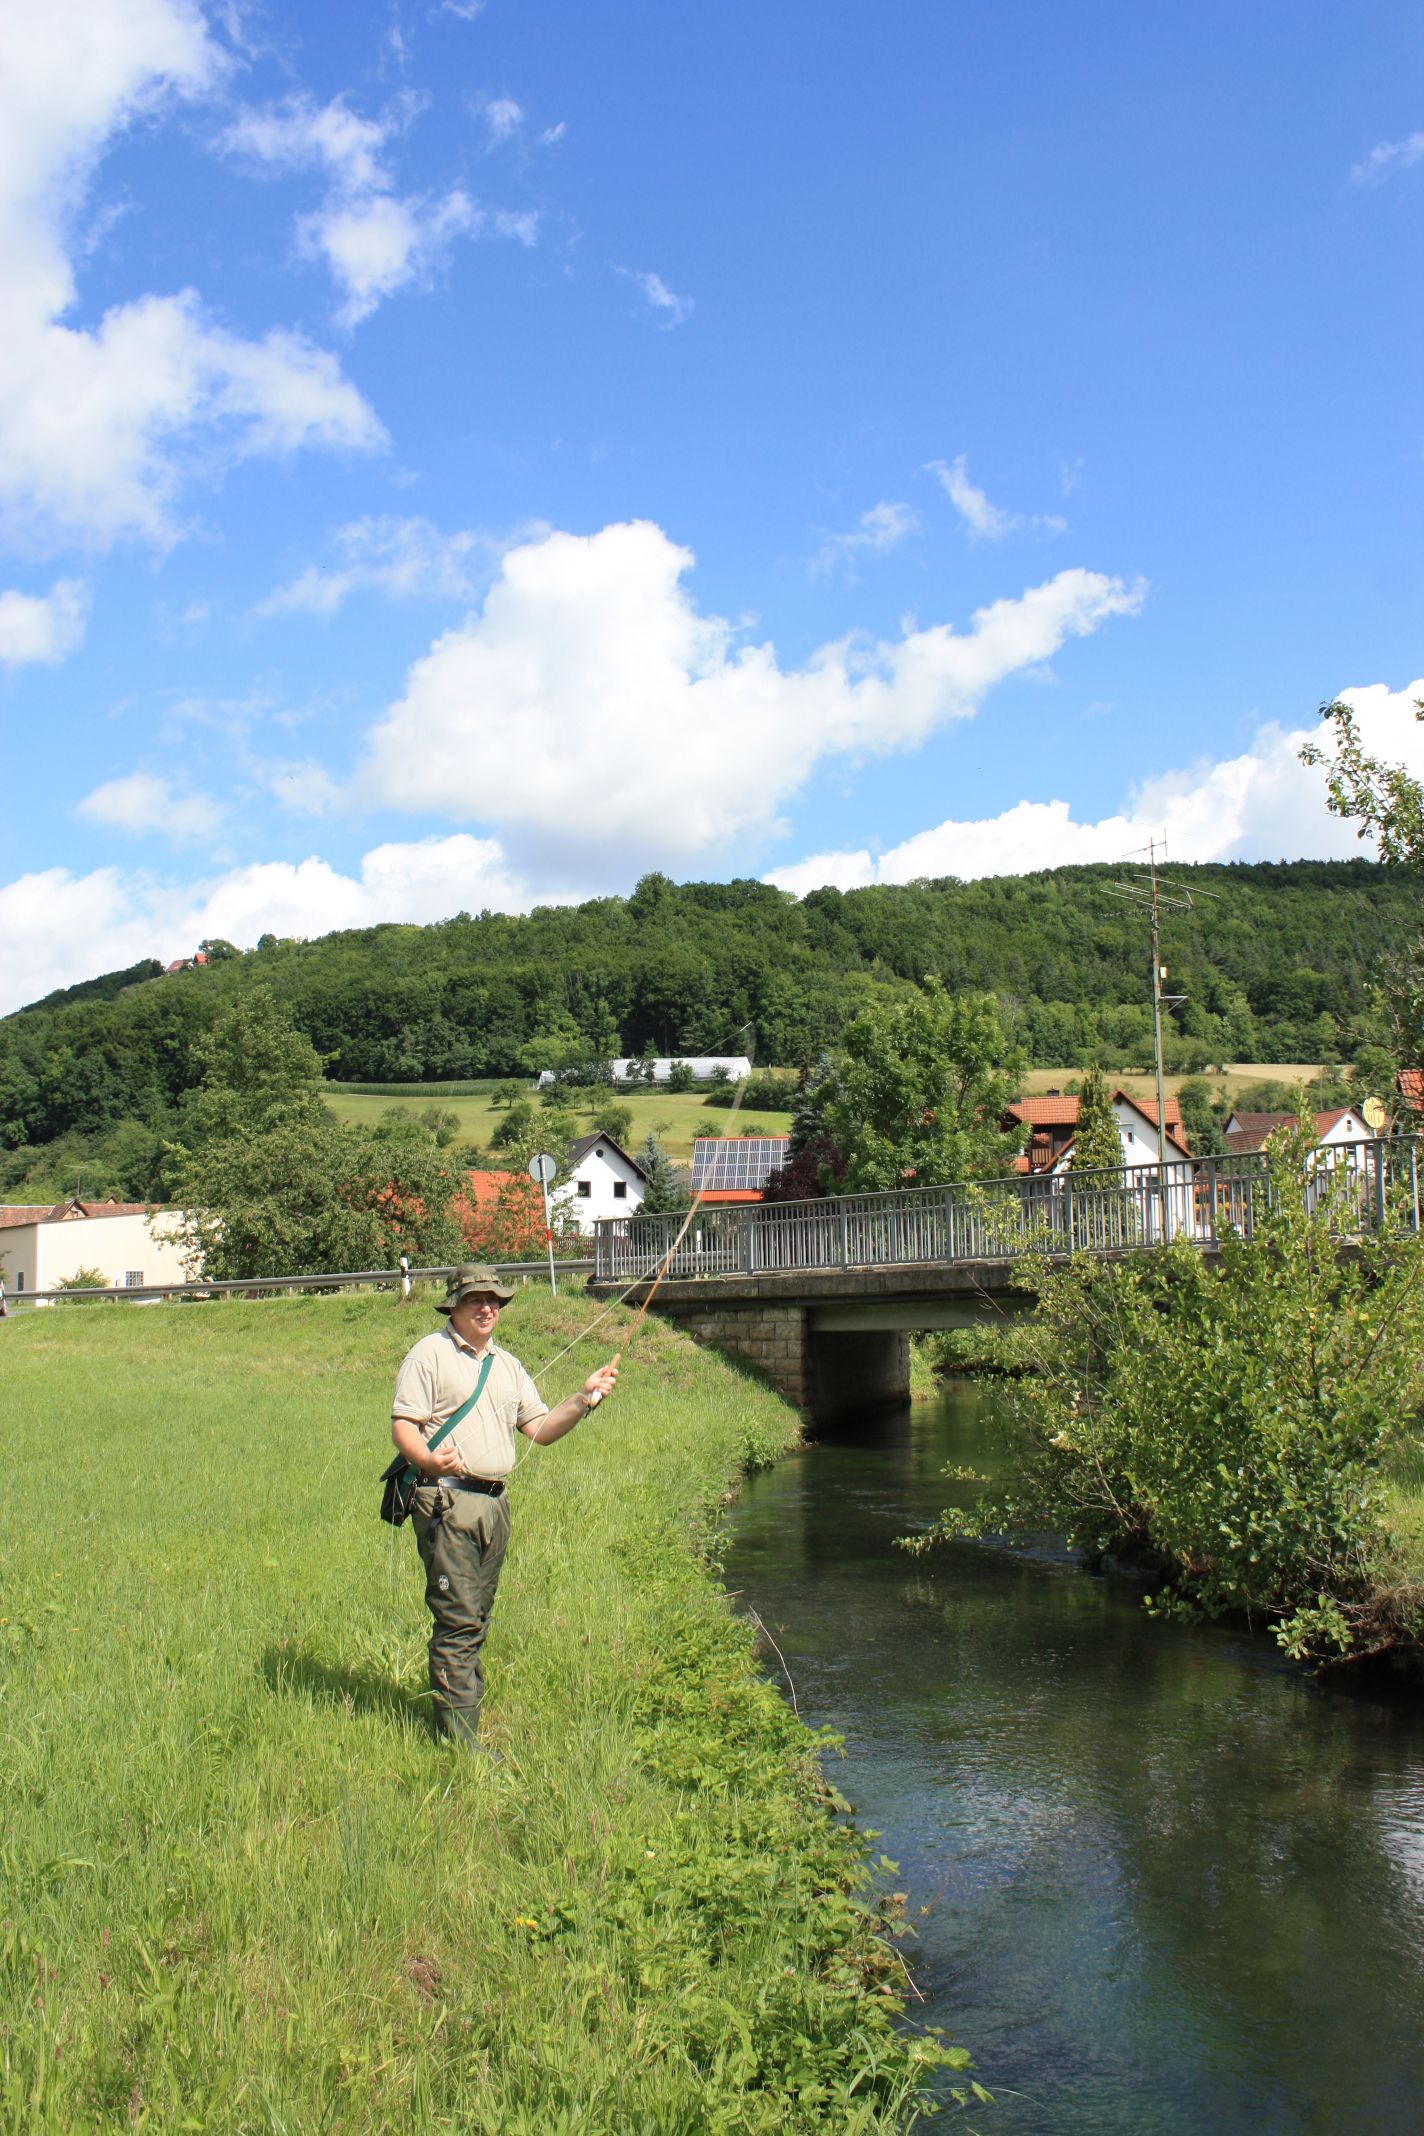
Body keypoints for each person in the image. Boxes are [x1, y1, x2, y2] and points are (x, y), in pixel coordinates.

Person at [390, 1262, 618, 1749]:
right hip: (445, 1502)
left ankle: (461, 1722)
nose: (488, 1307)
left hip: (495, 1508)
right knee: (458, 1619)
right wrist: (428, 1457)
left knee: (478, 1618)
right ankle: (461, 1745)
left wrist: (583, 1398)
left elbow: (541, 1429)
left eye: (495, 1300)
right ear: (455, 1305)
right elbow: (403, 1427)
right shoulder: (428, 1354)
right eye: (477, 1300)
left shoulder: (508, 1365)